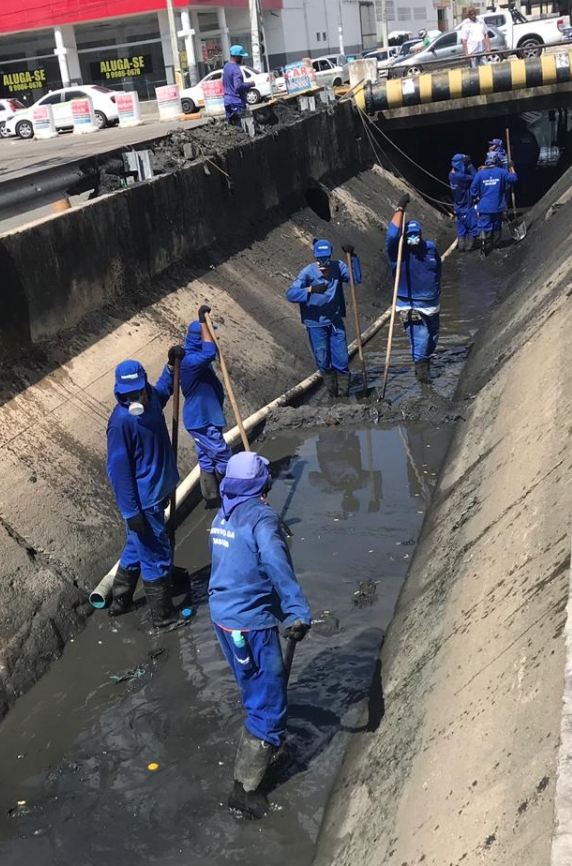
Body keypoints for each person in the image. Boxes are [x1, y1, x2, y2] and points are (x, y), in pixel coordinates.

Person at [209, 451, 311, 816]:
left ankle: (262, 743)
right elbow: (276, 566)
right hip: (249, 625)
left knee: (253, 685)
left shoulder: (224, 513)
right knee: (269, 702)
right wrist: (296, 610)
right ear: (262, 484)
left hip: (223, 616)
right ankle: (245, 791)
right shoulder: (262, 519)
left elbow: (240, 571)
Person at [105, 357, 183, 629]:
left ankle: (120, 601)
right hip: (144, 501)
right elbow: (119, 472)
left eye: (138, 391)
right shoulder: (121, 422)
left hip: (158, 489)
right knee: (156, 555)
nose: (135, 397)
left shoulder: (151, 400)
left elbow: (163, 390)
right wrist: (131, 511)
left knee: (135, 548)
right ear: (119, 393)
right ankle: (162, 617)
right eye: (128, 395)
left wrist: (172, 368)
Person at [285, 239, 361, 398]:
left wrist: (353, 257)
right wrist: (310, 289)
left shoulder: (338, 267)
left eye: (326, 257)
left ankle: (344, 395)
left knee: (341, 359)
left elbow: (355, 280)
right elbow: (290, 294)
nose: (324, 261)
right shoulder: (307, 273)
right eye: (320, 258)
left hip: (334, 321)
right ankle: (333, 394)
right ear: (315, 257)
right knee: (323, 360)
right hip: (316, 324)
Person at [174, 305, 231, 508]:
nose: (214, 339)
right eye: (209, 335)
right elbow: (209, 352)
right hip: (201, 419)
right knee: (222, 454)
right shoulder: (190, 360)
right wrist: (201, 320)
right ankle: (238, 492)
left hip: (208, 416)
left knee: (207, 457)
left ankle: (212, 497)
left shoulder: (195, 359)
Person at [385, 194, 443, 384]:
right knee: (420, 340)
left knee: (432, 340)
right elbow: (392, 234)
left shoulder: (430, 248)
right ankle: (423, 379)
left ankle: (424, 361)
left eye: (415, 235)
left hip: (432, 304)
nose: (413, 239)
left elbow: (439, 270)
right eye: (409, 236)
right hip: (410, 304)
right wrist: (399, 209)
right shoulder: (398, 251)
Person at [469, 152, 517, 256]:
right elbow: (514, 179)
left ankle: (483, 248)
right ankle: (497, 245)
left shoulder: (480, 174)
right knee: (496, 225)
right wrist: (511, 167)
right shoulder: (502, 172)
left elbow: (472, 189)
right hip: (498, 206)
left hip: (484, 206)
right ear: (496, 161)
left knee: (483, 226)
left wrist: (476, 197)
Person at [448, 153, 478, 251]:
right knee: (473, 227)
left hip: (458, 206)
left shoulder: (451, 175)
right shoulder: (461, 177)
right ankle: (469, 247)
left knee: (461, 229)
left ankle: (461, 247)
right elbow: (476, 177)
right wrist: (470, 165)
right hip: (466, 206)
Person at [223, 45, 254, 126]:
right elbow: (238, 86)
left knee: (232, 126)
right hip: (236, 102)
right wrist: (250, 84)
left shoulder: (226, 67)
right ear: (237, 57)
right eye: (241, 56)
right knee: (242, 126)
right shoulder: (236, 69)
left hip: (227, 101)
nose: (242, 59)